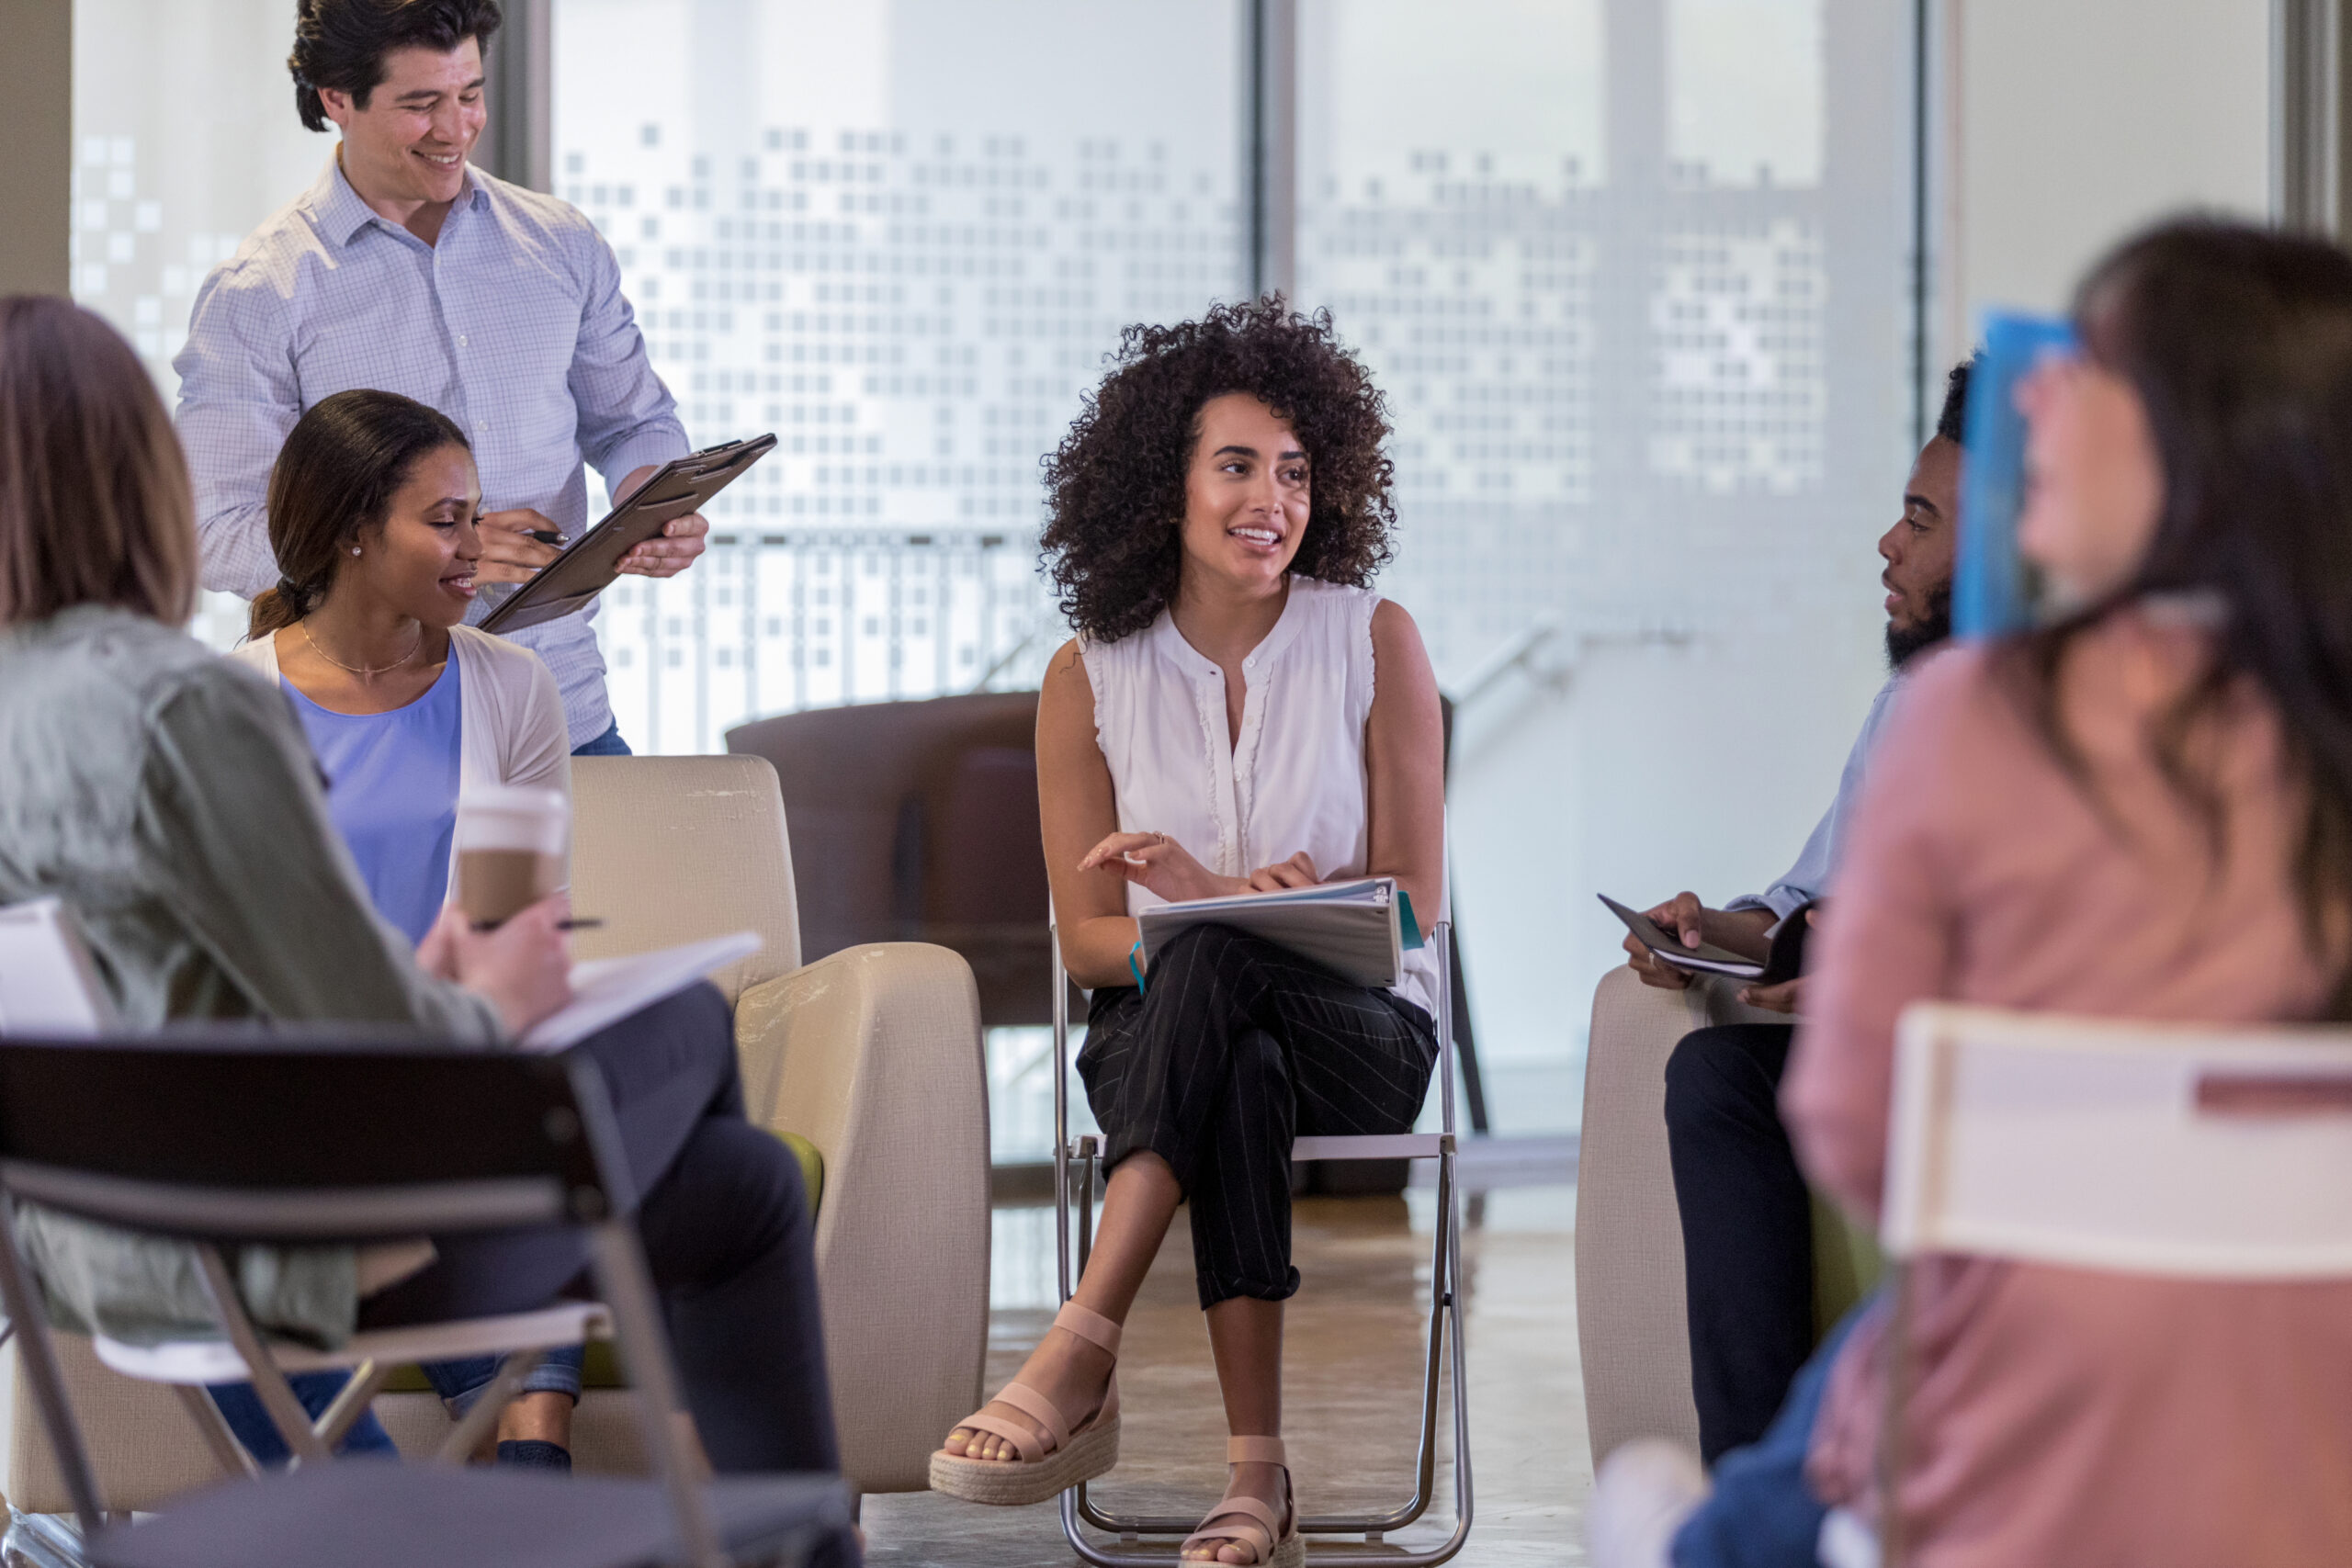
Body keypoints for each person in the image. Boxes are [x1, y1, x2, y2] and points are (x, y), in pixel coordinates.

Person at [1603, 217, 2352, 1568]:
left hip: (2014, 1406)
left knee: (1821, 1438)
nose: (2043, 398)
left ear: (2186, 446)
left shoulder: (1983, 718)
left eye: (2093, 373)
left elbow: (1867, 1128)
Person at [0, 296, 840, 1493]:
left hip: (106, 1239)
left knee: (734, 1171)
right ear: (133, 480)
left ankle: (437, 1486)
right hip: (316, 1209)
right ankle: (718, 1513)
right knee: (705, 1059)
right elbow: (380, 1035)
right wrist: (480, 998)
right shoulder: (197, 706)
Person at [928, 299, 1446, 1568]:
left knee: (1212, 961)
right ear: (1165, 482)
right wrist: (1224, 914)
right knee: (1228, 1032)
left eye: (1295, 470)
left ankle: (1080, 1341)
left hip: (1368, 1034)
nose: (1271, 496)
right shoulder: (1085, 675)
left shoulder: (1373, 639)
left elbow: (1412, 908)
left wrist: (1213, 893)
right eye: (1236, 464)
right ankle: (1256, 1480)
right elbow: (1092, 946)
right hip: (1162, 1034)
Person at [175, 0, 708, 757]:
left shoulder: (561, 247)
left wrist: (650, 500)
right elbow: (212, 529)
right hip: (365, 729)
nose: (455, 129)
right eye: (420, 104)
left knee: (610, 881)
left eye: (469, 95)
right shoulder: (261, 294)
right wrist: (429, 548)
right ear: (337, 100)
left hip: (561, 714)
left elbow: (631, 423)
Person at [212, 388, 582, 1469]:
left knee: (525, 1140)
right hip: (291, 1095)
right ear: (350, 531)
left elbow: (521, 925)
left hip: (459, 1079)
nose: (480, 546)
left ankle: (533, 1477)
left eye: (476, 514)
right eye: (448, 519)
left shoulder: (512, 690)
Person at [1621, 361, 1972, 1463]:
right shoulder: (1905, 707)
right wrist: (1706, 929)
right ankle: (1754, 1466)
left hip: (1976, 1048)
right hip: (1885, 1033)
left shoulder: (2042, 718)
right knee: (1715, 1076)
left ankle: (1768, 1492)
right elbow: (1808, 899)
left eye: (1918, 519)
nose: (1887, 543)